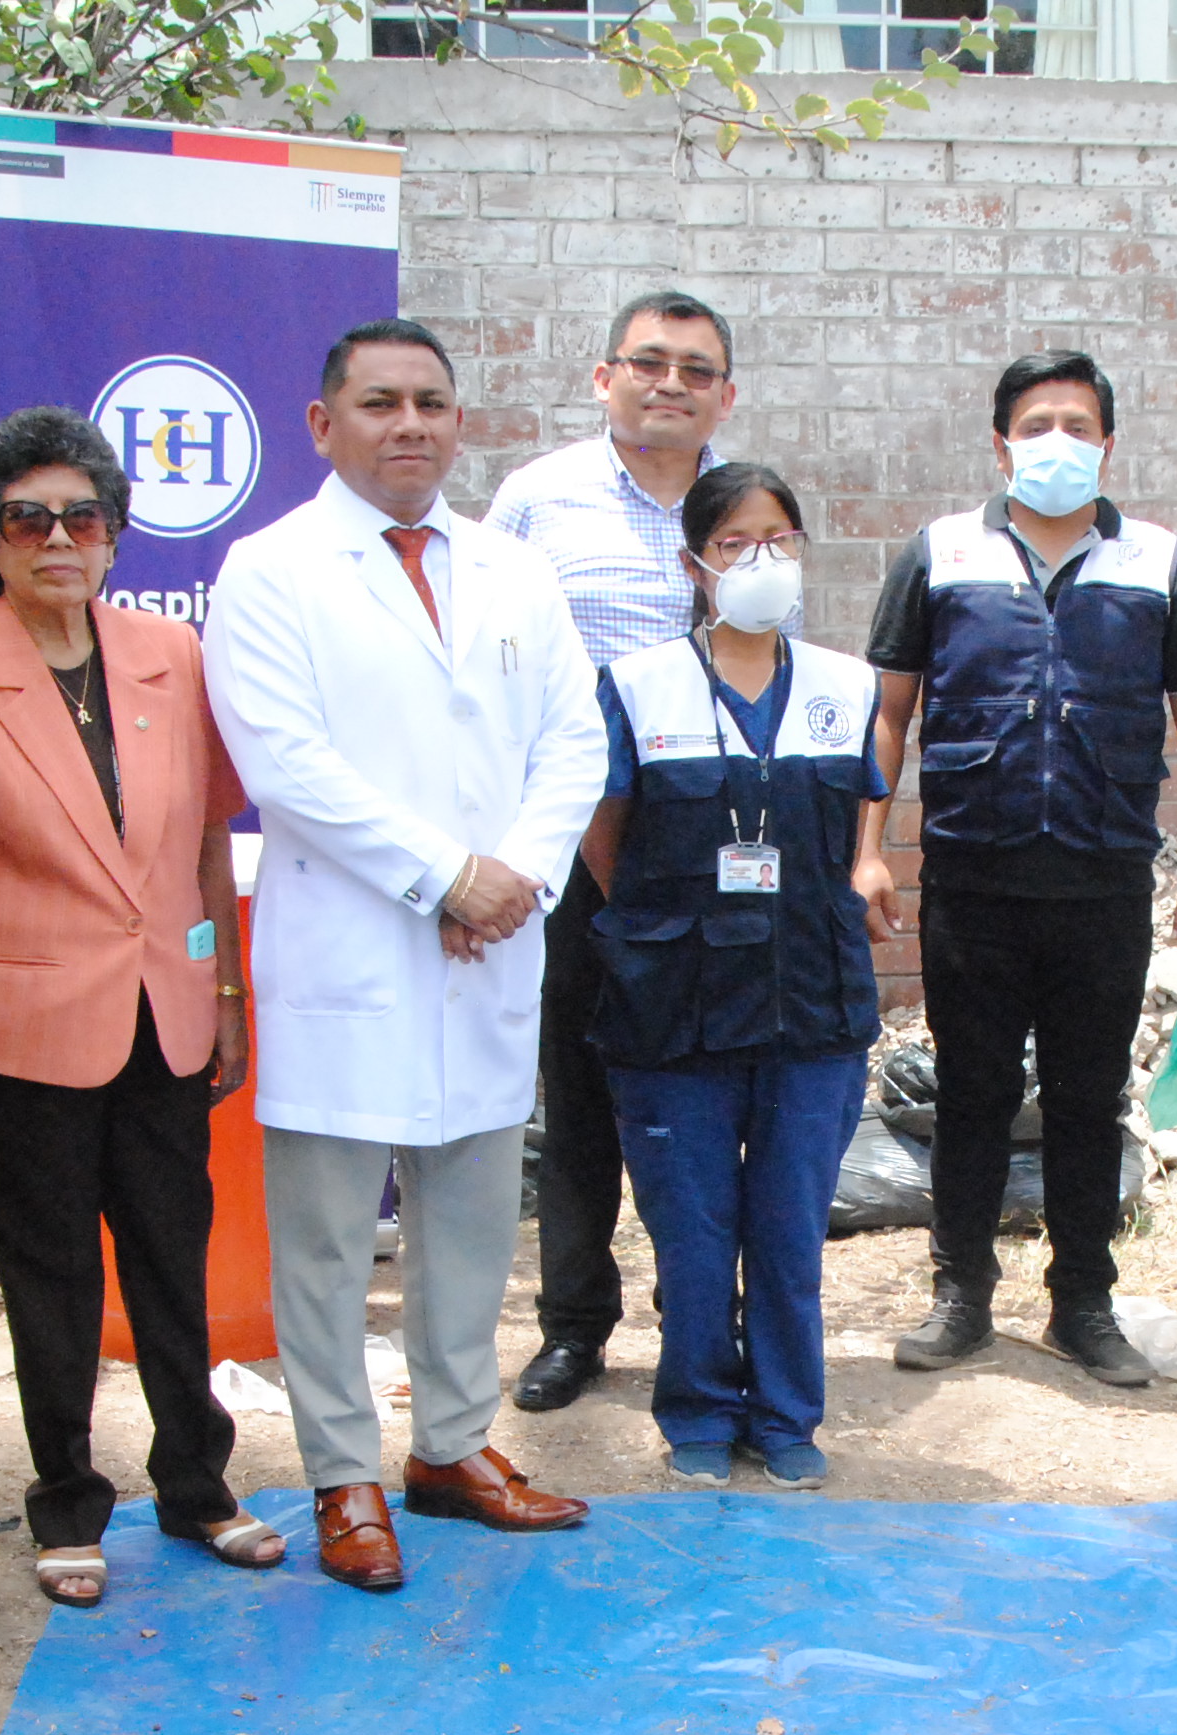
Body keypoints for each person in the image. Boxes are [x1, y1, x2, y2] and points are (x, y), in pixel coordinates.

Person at [202, 319, 611, 1592]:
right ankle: (341, 1474)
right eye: (380, 403)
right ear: (323, 425)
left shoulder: (509, 570)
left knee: (473, 1220)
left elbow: (572, 745)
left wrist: (511, 878)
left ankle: (448, 1449)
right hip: (353, 946)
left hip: (488, 946)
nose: (411, 424)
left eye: (432, 402)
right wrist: (444, 874)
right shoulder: (269, 570)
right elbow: (287, 766)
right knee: (324, 1237)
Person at [0, 407, 277, 1610]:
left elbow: (209, 837)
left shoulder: (171, 656)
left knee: (170, 1259)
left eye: (83, 518)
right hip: (24, 1039)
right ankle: (63, 1500)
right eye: (27, 520)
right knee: (49, 1275)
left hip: (164, 1017)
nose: (59, 539)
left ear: (113, 537)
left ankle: (198, 1486)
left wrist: (224, 993)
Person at [865, 348, 1177, 1390]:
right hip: (972, 881)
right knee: (971, 1092)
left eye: (1077, 425)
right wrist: (867, 850)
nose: (1057, 444)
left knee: (1086, 1095)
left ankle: (1082, 1301)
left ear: (1108, 444)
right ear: (1000, 442)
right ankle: (960, 1296)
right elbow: (887, 712)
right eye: (1036, 426)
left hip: (1102, 879)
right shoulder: (940, 556)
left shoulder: (1157, 564)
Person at [581, 462, 890, 1487]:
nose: (760, 561)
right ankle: (702, 1416)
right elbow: (604, 842)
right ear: (693, 564)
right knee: (695, 1231)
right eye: (734, 544)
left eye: (779, 541)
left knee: (789, 1227)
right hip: (673, 1011)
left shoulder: (846, 686)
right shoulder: (636, 685)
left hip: (812, 1004)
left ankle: (789, 1418)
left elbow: (858, 825)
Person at [485, 289, 762, 1416]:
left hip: (706, 849)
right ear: (603, 378)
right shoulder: (535, 501)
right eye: (648, 363)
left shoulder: (741, 507)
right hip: (564, 844)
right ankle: (572, 1326)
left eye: (696, 371)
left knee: (710, 1090)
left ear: (724, 396)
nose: (670, 384)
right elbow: (483, 655)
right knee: (581, 1089)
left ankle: (701, 1315)